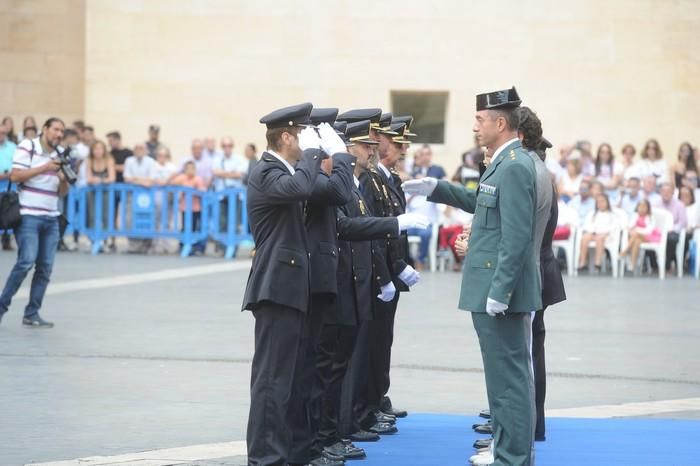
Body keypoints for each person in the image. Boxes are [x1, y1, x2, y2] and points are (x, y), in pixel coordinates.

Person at [403, 87, 540, 466]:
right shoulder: (504, 162)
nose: (475, 126)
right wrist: (437, 189)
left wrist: (501, 290)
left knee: (508, 383)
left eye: (480, 120)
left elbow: (515, 236)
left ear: (500, 122)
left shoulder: (513, 165)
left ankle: (512, 458)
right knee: (503, 381)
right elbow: (483, 201)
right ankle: (512, 453)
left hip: (500, 292)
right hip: (493, 288)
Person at [241, 103, 325, 466]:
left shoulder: (284, 171)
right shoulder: (267, 171)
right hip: (275, 289)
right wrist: (316, 152)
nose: (307, 142)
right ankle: (264, 458)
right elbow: (301, 186)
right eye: (302, 134)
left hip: (289, 288)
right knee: (271, 382)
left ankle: (285, 453)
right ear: (287, 136)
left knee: (287, 380)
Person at [286, 107, 355, 466]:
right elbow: (341, 191)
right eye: (326, 153)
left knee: (314, 369)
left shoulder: (314, 176)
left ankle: (312, 444)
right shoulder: (310, 179)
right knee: (307, 370)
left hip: (319, 281)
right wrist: (340, 157)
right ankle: (306, 446)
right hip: (309, 283)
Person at [0, 118, 70, 328]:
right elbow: (16, 175)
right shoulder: (28, 146)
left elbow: (62, 192)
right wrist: (46, 167)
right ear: (45, 129)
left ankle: (32, 312)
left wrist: (64, 179)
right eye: (56, 129)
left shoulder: (60, 154)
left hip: (51, 216)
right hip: (28, 214)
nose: (59, 134)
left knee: (45, 267)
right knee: (26, 262)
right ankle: (2, 307)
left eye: (62, 131)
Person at [124, 143, 157, 253]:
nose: (139, 150)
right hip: (132, 195)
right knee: (129, 218)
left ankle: (145, 244)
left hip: (147, 197)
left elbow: (151, 180)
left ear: (146, 150)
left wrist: (135, 180)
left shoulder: (151, 161)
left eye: (141, 148)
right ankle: (133, 245)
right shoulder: (129, 160)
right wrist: (142, 181)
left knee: (146, 219)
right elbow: (127, 178)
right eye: (137, 148)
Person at [171, 161, 208, 256]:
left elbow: (202, 189)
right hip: (185, 208)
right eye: (188, 169)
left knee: (194, 227)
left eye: (192, 169)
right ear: (185, 170)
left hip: (195, 208)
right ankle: (182, 245)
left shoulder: (198, 179)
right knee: (184, 227)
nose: (190, 171)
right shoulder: (182, 178)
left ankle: (194, 246)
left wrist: (196, 189)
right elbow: (172, 184)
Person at [85, 140, 116, 250]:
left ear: (104, 150)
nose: (98, 151)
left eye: (100, 148)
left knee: (106, 216)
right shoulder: (89, 160)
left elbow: (112, 178)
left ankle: (105, 240)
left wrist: (100, 180)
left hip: (106, 191)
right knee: (92, 215)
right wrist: (99, 180)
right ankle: (93, 239)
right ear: (92, 150)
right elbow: (88, 178)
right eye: (95, 149)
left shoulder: (109, 159)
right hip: (92, 192)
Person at [577, 194, 616, 272]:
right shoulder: (592, 214)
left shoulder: (612, 215)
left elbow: (613, 227)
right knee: (585, 237)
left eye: (602, 201)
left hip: (606, 236)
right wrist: (592, 232)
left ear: (607, 202)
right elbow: (587, 225)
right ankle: (582, 262)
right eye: (598, 202)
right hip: (593, 233)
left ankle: (597, 263)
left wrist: (603, 233)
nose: (600, 204)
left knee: (599, 238)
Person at [655, 182, 687, 271]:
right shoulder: (655, 204)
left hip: (672, 231)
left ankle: (667, 264)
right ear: (660, 192)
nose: (666, 193)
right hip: (658, 232)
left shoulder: (680, 205)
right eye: (663, 191)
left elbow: (682, 222)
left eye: (668, 191)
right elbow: (653, 221)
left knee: (672, 239)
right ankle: (654, 266)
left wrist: (671, 229)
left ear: (673, 192)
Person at [620, 199, 660, 272]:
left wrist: (637, 231)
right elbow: (630, 226)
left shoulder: (650, 217)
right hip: (637, 237)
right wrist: (631, 230)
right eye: (640, 207)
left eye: (644, 207)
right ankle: (633, 264)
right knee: (637, 241)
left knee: (636, 235)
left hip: (649, 237)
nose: (642, 209)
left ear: (648, 209)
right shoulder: (635, 216)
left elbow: (649, 230)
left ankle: (625, 250)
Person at [0, 124, 18, 250]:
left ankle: (7, 239)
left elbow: (17, 163)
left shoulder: (12, 147)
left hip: (9, 184)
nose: (1, 136)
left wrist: (9, 174)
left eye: (3, 133)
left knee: (7, 211)